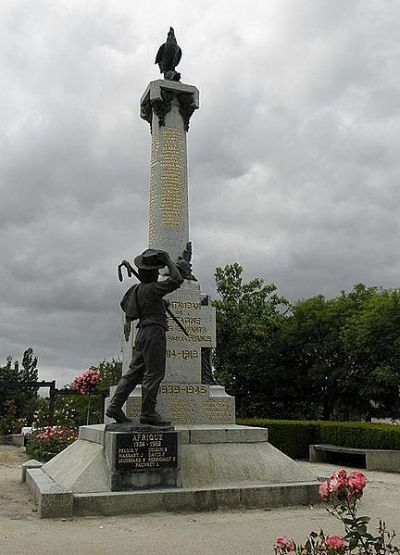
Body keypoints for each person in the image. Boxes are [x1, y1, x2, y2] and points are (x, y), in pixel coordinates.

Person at [106, 248, 184, 426]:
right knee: (154, 373)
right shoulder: (153, 288)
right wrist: (168, 260)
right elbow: (177, 279)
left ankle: (115, 406)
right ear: (153, 273)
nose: (158, 272)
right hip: (154, 333)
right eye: (156, 270)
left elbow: (131, 305)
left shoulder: (139, 289)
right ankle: (148, 412)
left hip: (142, 334)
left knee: (133, 373)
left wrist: (158, 303)